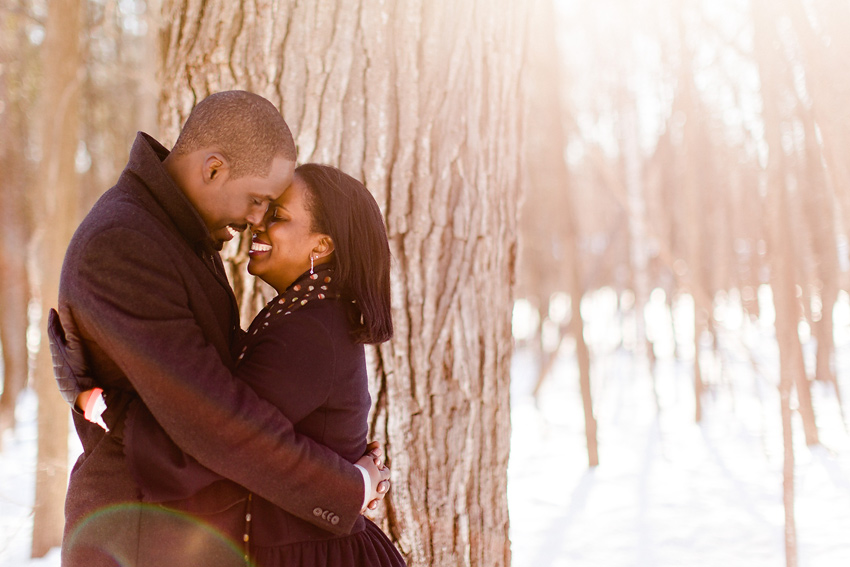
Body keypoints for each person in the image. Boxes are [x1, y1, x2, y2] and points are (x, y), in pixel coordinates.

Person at [48, 91, 390, 567]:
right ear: (213, 169)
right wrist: (349, 487)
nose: (254, 222)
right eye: (257, 201)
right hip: (139, 538)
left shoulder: (177, 232)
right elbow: (217, 421)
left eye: (272, 210)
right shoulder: (125, 241)